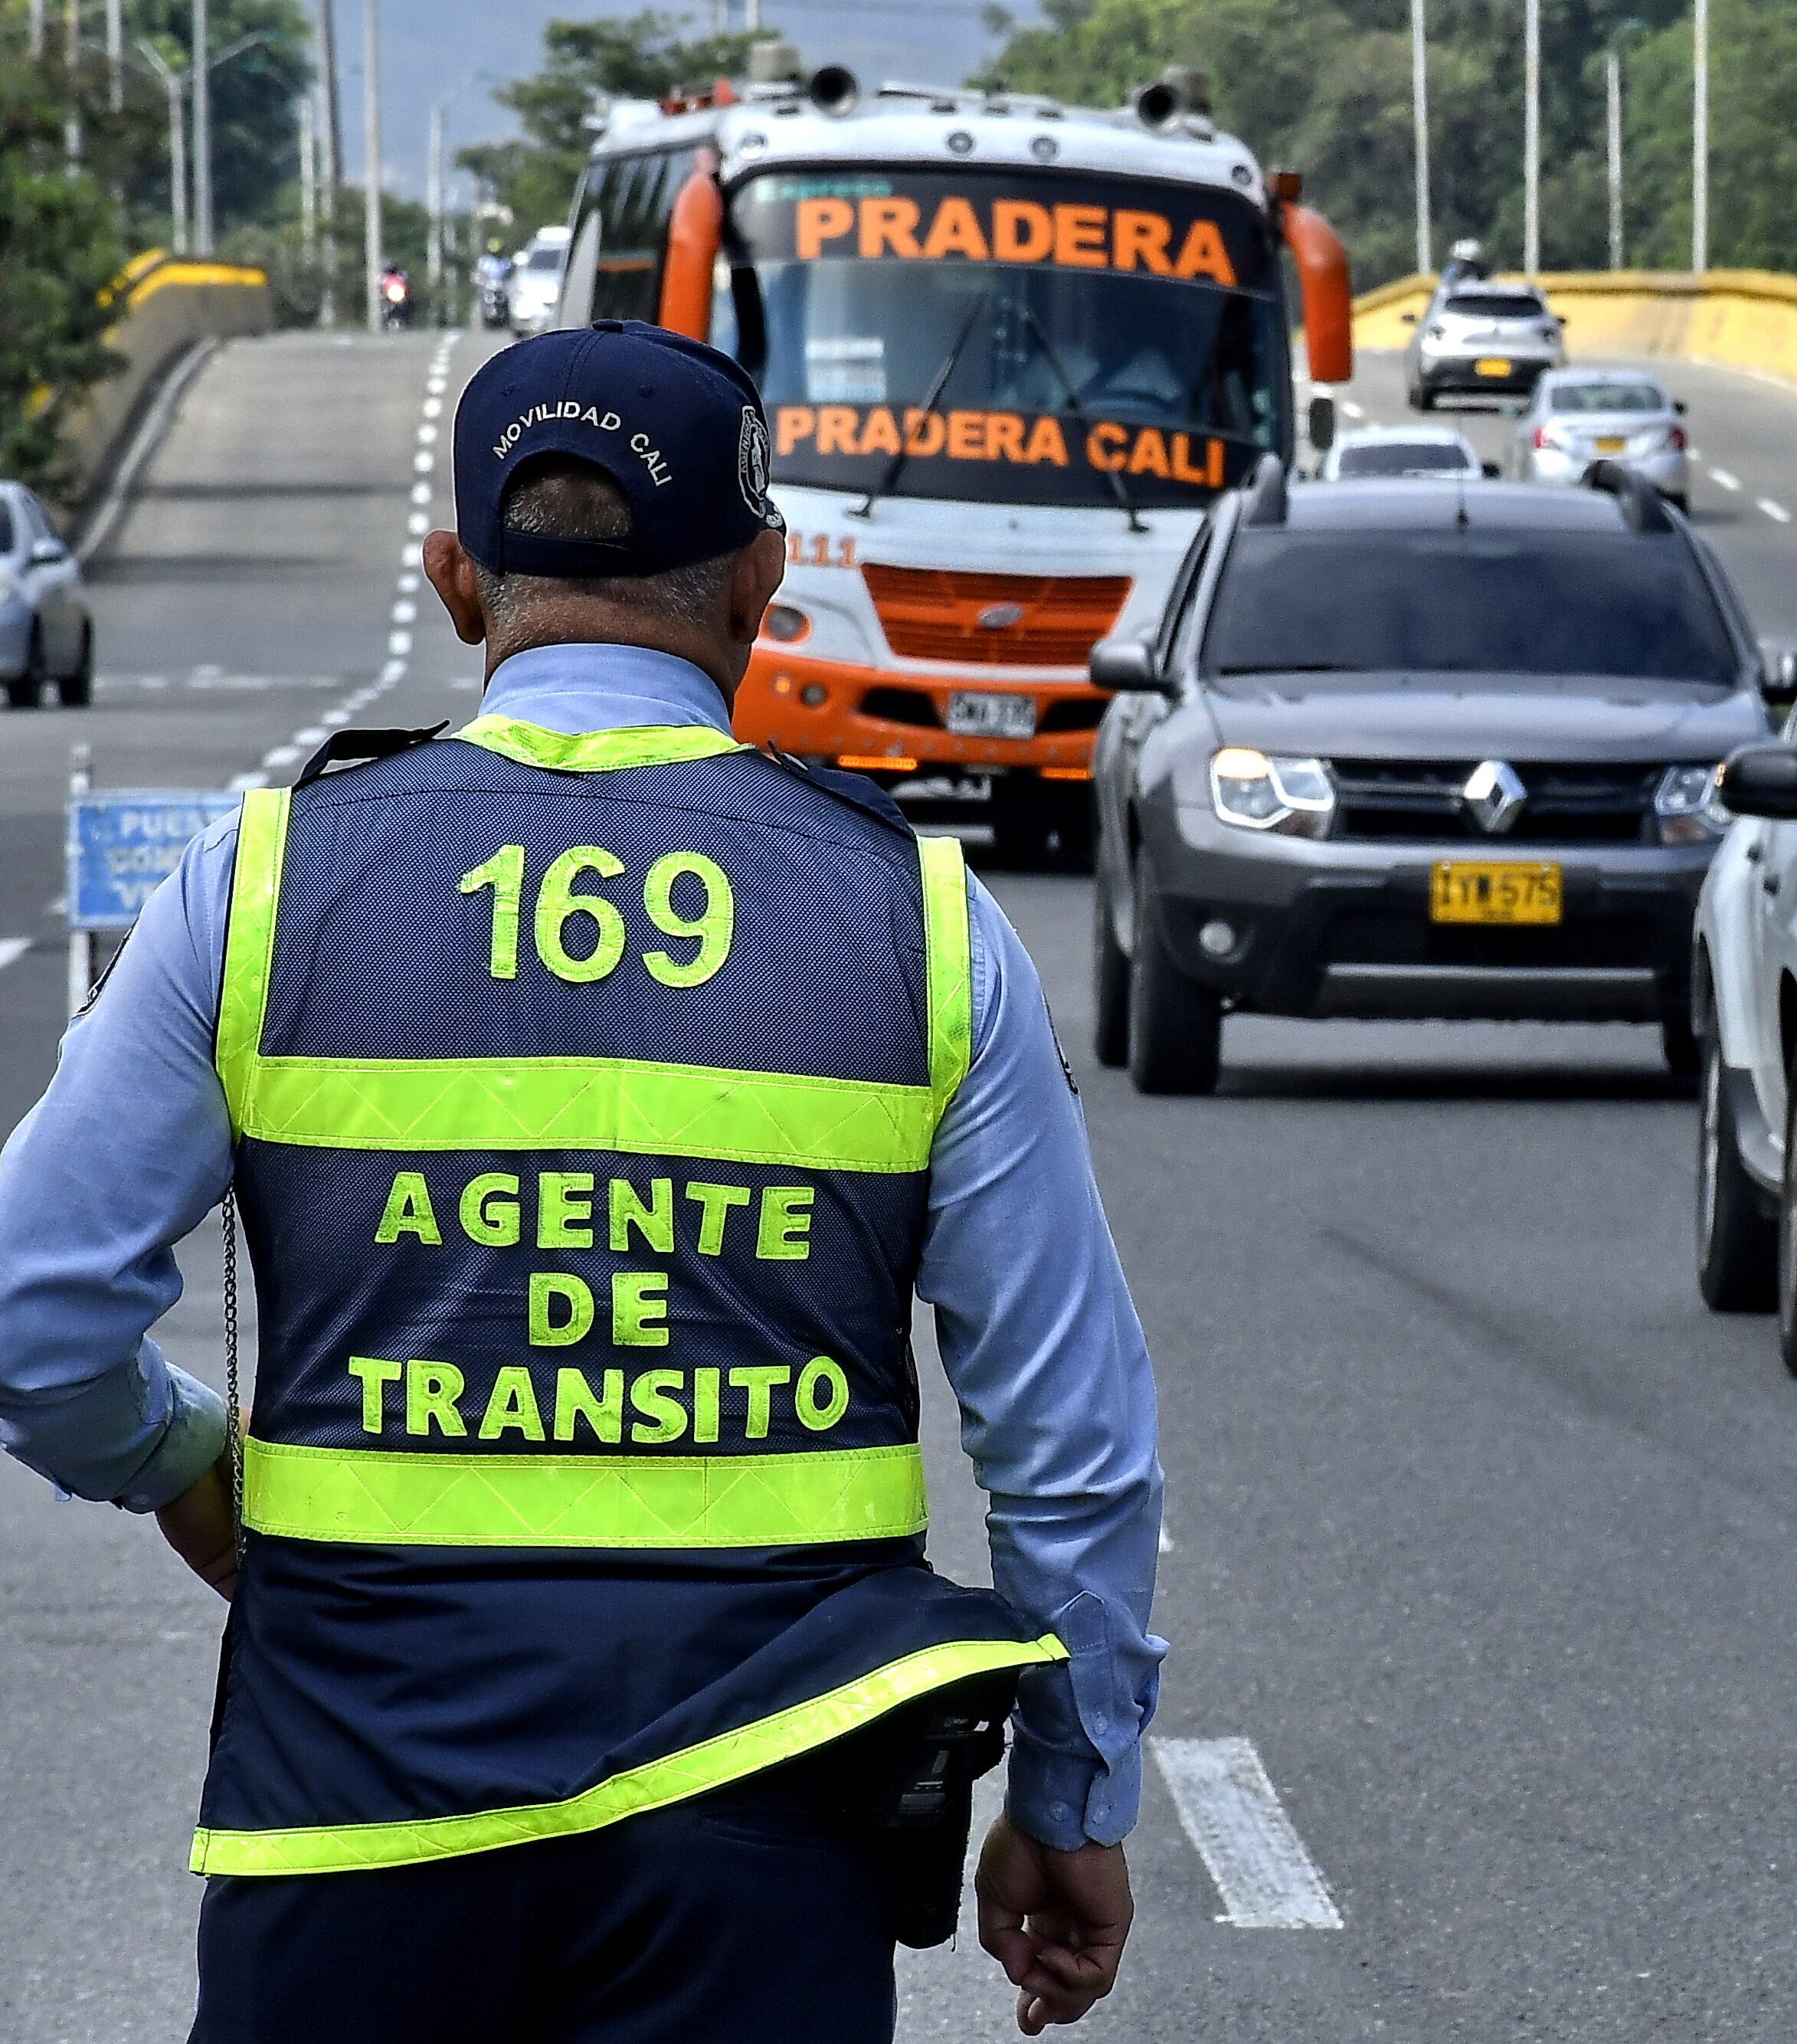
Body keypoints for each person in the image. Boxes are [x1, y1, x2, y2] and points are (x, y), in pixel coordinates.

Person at [0, 320, 1164, 2042]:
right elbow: (1069, 1439)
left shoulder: (258, 885)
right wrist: (1069, 1804)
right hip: (767, 1837)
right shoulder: (916, 922)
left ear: (457, 576)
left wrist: (183, 1462)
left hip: (350, 1816)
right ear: (764, 577)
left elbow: (31, 1311)